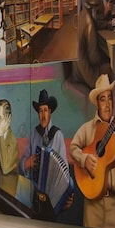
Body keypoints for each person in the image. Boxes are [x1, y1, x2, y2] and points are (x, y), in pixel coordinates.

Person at [69, 74, 115, 228]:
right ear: (97, 104)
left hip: (114, 203)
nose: (107, 104)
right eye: (102, 99)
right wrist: (84, 159)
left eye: (110, 98)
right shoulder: (87, 129)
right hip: (92, 201)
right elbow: (73, 148)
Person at [19, 89, 73, 217]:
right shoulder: (34, 134)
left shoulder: (57, 135)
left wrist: (67, 194)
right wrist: (26, 163)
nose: (43, 115)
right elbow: (23, 163)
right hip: (35, 195)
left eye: (45, 110)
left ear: (50, 112)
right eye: (40, 111)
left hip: (52, 198)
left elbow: (64, 171)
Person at [69, 0, 112, 93]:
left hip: (76, 70)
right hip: (86, 73)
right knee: (111, 68)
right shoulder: (89, 25)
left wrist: (106, 23)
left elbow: (96, 21)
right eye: (97, 8)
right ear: (93, 8)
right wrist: (105, 56)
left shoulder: (81, 15)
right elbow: (94, 58)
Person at [0, 98, 18, 176]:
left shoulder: (12, 141)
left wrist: (1, 135)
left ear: (8, 119)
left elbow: (5, 169)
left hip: (9, 181)